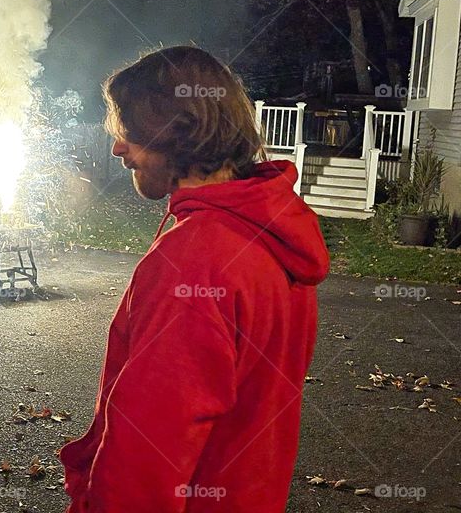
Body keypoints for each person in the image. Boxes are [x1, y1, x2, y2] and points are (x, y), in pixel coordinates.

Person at [60, 46, 329, 512]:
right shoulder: (274, 236)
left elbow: (145, 458)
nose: (118, 147)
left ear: (177, 132)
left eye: (131, 132)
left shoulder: (195, 258)